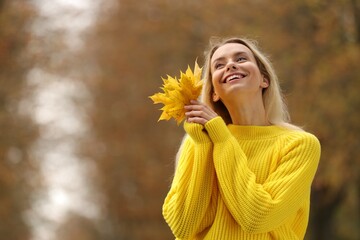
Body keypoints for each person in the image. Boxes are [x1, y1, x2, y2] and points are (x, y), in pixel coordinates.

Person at [162, 37, 321, 240]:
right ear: (214, 93)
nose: (230, 65)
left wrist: (223, 139)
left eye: (241, 58)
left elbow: (257, 218)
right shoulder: (198, 141)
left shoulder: (300, 144)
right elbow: (182, 227)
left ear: (264, 80)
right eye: (219, 65)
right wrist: (204, 145)